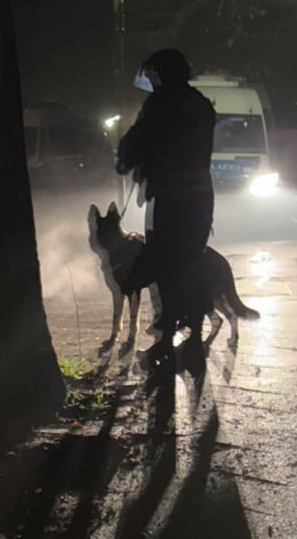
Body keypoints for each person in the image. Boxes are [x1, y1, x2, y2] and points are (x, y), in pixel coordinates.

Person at [115, 49, 216, 362]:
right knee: (191, 262)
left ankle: (166, 338)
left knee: (166, 267)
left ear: (161, 74)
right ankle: (195, 338)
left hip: (170, 198)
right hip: (200, 196)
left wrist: (127, 160)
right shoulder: (200, 104)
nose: (152, 82)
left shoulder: (161, 103)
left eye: (153, 76)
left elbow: (137, 141)